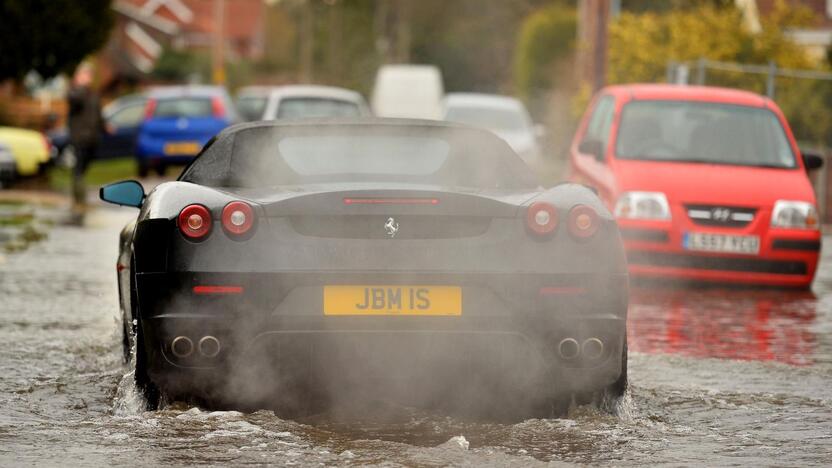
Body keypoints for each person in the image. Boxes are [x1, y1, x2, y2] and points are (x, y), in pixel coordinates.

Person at [66, 65, 103, 212]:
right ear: (78, 77)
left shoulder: (93, 94)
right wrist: (80, 86)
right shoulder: (76, 93)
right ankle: (79, 200)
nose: (88, 78)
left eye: (89, 75)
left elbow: (98, 114)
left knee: (85, 167)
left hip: (93, 138)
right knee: (79, 168)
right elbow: (74, 100)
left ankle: (80, 198)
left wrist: (106, 127)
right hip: (79, 137)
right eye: (84, 75)